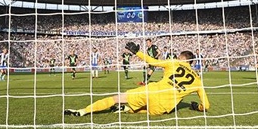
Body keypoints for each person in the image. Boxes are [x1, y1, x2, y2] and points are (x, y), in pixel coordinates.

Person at [64, 42, 210, 117]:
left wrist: (137, 52)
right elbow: (207, 106)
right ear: (192, 63)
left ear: (181, 58)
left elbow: (152, 61)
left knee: (116, 98)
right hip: (162, 108)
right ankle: (127, 109)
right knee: (152, 110)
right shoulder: (198, 81)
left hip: (150, 91)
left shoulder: (174, 62)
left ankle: (83, 111)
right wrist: (197, 107)